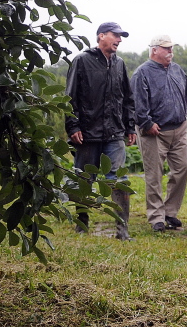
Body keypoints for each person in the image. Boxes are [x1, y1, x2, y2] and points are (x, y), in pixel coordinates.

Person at [64, 22, 137, 240]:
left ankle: (122, 231)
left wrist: (130, 125)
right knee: (84, 180)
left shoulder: (119, 64)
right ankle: (81, 224)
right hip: (87, 133)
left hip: (115, 132)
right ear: (101, 36)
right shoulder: (81, 61)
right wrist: (73, 126)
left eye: (121, 36)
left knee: (119, 180)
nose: (119, 40)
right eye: (116, 35)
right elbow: (69, 96)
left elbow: (128, 98)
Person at [131, 35, 187, 232]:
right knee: (154, 175)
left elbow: (186, 95)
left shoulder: (177, 69)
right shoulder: (142, 73)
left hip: (179, 129)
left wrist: (185, 114)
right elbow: (137, 103)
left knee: (183, 168)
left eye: (171, 48)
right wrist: (146, 123)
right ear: (154, 50)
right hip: (154, 132)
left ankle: (170, 212)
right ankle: (156, 217)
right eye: (166, 48)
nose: (170, 52)